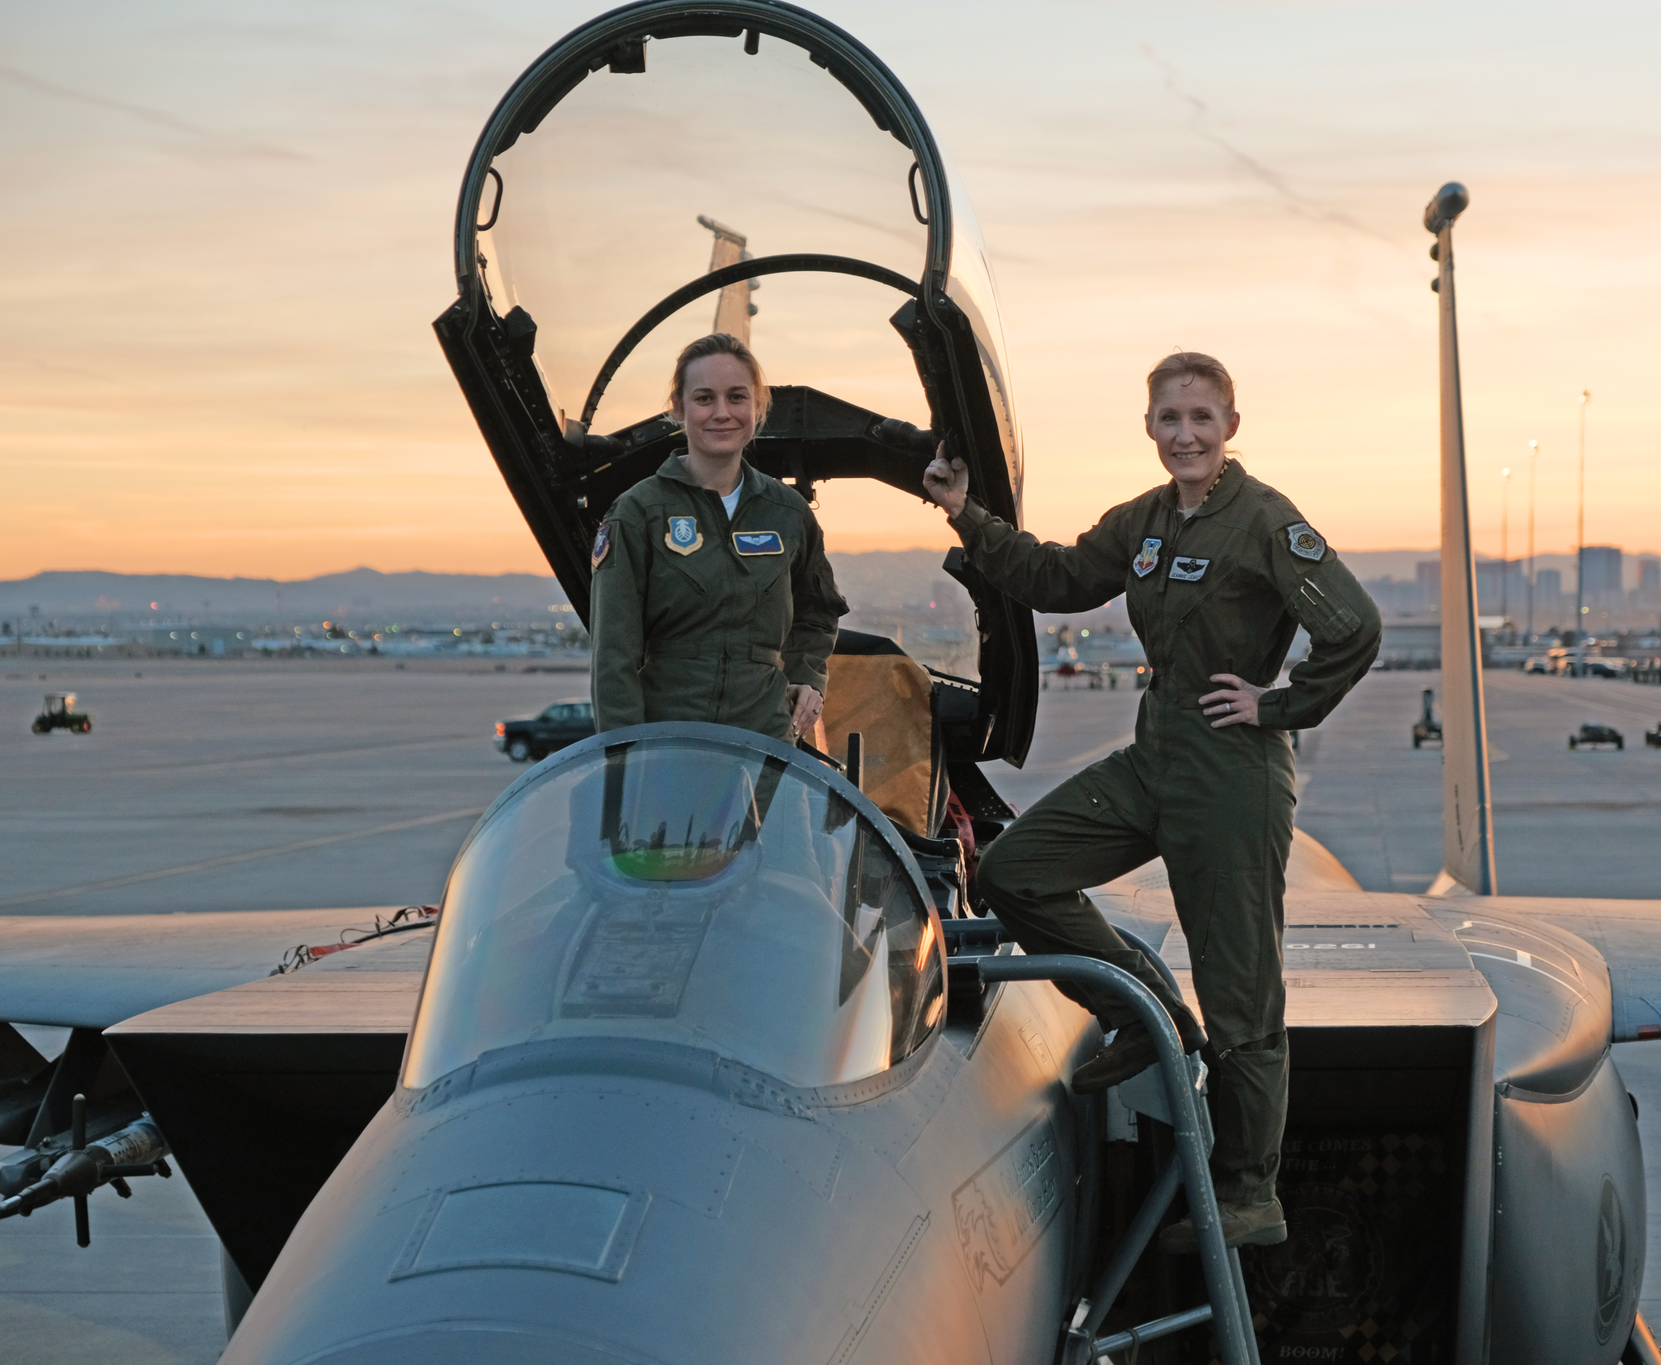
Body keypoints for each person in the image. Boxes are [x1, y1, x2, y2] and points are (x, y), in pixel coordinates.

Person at [921, 351, 1381, 1251]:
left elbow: (1353, 628)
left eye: (1202, 417)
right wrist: (963, 512)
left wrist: (1277, 705)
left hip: (1233, 779)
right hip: (1154, 757)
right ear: (1149, 427)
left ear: (1231, 425)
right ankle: (1144, 1010)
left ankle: (1249, 1191)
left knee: (1242, 993)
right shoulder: (1144, 521)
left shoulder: (1266, 521)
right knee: (1016, 869)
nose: (1186, 434)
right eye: (1170, 418)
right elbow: (1057, 577)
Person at [591, 333, 847, 742]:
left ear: (758, 406)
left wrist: (805, 676)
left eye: (737, 397)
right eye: (705, 398)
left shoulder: (788, 512)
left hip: (766, 744)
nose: (722, 413)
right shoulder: (639, 512)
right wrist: (626, 761)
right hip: (669, 742)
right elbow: (613, 657)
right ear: (679, 407)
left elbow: (818, 612)